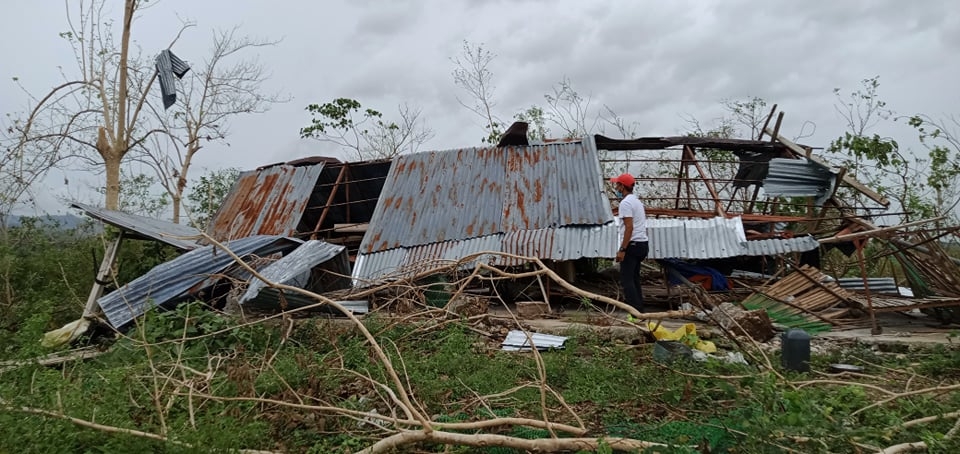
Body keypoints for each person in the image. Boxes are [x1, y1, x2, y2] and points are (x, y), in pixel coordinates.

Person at [610, 173, 649, 313]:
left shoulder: (625, 203)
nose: (616, 188)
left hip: (632, 245)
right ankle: (640, 309)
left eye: (617, 185)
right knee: (634, 278)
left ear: (622, 186)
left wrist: (622, 249)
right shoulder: (637, 201)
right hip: (642, 244)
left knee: (626, 280)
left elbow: (629, 227)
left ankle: (635, 311)